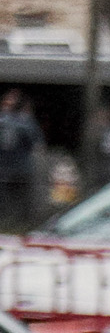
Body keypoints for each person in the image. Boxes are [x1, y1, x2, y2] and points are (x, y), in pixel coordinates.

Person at [0, 91, 43, 233]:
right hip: (21, 168)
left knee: (8, 204)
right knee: (22, 204)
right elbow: (36, 145)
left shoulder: (4, 121)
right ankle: (20, 227)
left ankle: (8, 227)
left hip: (6, 169)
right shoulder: (26, 123)